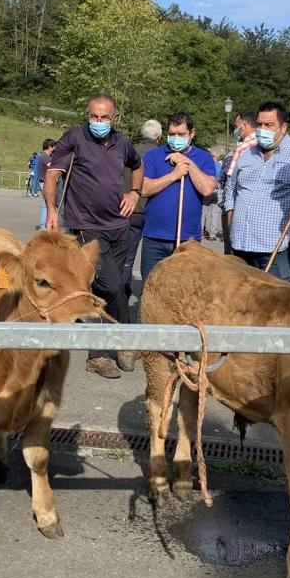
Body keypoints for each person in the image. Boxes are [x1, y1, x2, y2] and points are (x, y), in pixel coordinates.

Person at [43, 93, 143, 379]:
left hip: (119, 227)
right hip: (87, 227)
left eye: (104, 118)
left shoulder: (123, 142)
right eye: (94, 117)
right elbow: (52, 176)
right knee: (108, 287)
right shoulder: (74, 138)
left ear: (115, 118)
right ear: (87, 116)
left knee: (118, 287)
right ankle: (108, 350)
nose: (98, 123)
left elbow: (137, 166)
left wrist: (134, 193)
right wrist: (51, 210)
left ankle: (111, 349)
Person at [223, 101, 290, 282]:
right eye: (259, 124)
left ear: (283, 127)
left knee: (276, 307)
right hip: (241, 246)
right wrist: (231, 223)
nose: (262, 129)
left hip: (278, 249)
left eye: (269, 125)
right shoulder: (247, 152)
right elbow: (231, 189)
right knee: (241, 306)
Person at [139, 113, 217, 281]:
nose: (175, 138)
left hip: (188, 239)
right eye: (172, 134)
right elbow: (143, 189)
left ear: (192, 134)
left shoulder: (204, 158)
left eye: (181, 134)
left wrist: (187, 162)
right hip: (154, 237)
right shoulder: (154, 156)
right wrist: (174, 175)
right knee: (150, 289)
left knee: (185, 293)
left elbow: (207, 189)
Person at [121, 119, 162, 300]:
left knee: (127, 257)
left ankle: (122, 293)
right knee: (156, 258)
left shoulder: (128, 151)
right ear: (159, 137)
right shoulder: (162, 154)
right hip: (154, 210)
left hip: (131, 208)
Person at [220, 111, 257, 255]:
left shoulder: (242, 149)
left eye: (237, 126)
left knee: (233, 258)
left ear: (244, 125)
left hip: (235, 209)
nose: (236, 131)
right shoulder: (264, 146)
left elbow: (225, 181)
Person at [35, 139, 55, 229]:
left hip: (43, 182)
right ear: (50, 147)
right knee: (46, 204)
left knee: (47, 204)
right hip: (45, 182)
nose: (55, 149)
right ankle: (43, 226)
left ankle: (45, 224)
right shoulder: (45, 157)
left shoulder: (42, 156)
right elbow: (53, 167)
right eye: (54, 147)